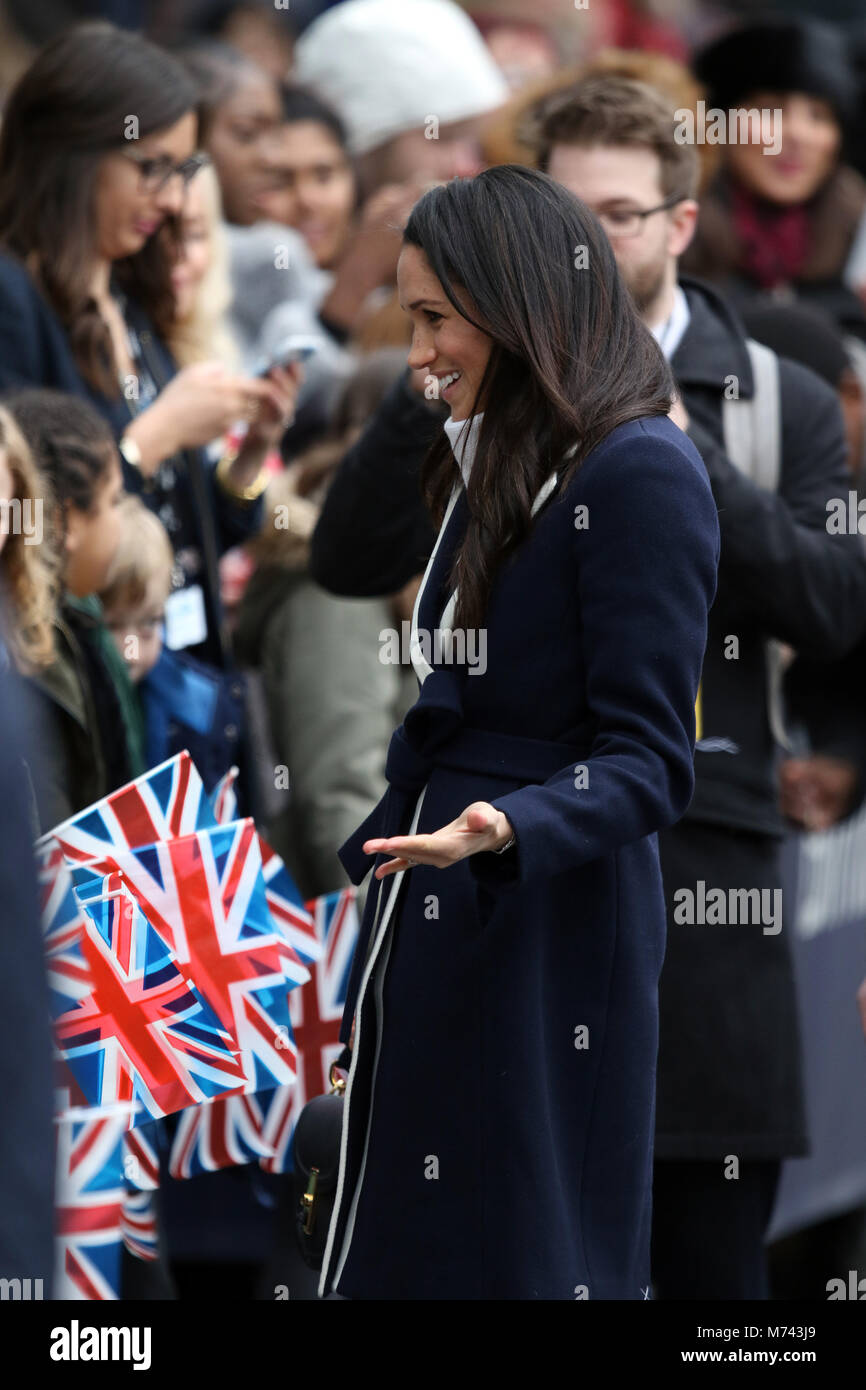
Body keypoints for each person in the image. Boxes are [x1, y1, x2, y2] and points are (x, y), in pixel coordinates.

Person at [316, 164, 719, 1301]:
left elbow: (650, 759)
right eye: (410, 319)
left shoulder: (641, 468)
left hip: (545, 916)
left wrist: (503, 824)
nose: (416, 351)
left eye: (435, 318)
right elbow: (344, 555)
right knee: (413, 1239)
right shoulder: (495, 449)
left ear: (517, 305)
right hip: (443, 904)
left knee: (524, 1248)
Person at [526, 72, 866, 1300]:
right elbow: (353, 555)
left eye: (615, 217)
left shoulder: (779, 386)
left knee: (710, 1271)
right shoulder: (483, 371)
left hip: (714, 876)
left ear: (678, 222)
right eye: (561, 218)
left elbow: (834, 602)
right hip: (524, 864)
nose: (584, 247)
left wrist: (673, 445)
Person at [0, 22, 297, 673]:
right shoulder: (13, 296)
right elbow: (26, 525)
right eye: (150, 168)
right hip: (80, 685)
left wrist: (251, 456)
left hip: (184, 679)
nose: (168, 199)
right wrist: (155, 436)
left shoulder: (133, 297)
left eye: (183, 170)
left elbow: (186, 535)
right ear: (70, 156)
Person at [682, 14, 866, 344]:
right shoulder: (671, 237)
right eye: (770, 110)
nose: (797, 135)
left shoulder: (857, 249)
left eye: (819, 116)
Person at [3, 389, 133, 832]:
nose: (123, 519)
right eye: (114, 501)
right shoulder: (34, 653)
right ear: (65, 521)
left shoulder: (83, 623)